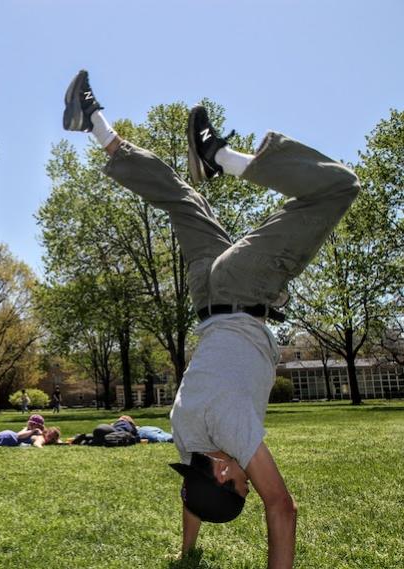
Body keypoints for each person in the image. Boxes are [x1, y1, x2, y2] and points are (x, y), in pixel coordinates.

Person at [63, 70, 359, 567]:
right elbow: (192, 498)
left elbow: (282, 508)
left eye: (240, 480)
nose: (245, 473)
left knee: (337, 188)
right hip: (206, 297)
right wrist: (187, 551)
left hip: (244, 291)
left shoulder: (231, 431)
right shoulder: (187, 437)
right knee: (182, 199)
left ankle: (219, 155)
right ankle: (94, 124)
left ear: (224, 474)